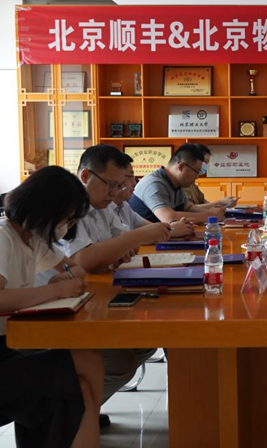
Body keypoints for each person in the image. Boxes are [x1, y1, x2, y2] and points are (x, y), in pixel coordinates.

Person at [0, 166, 103, 448]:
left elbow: (75, 268)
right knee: (80, 379)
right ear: (45, 209)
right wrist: (55, 289)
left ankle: (86, 435)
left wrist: (65, 278)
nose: (67, 225)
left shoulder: (30, 238)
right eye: (66, 217)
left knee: (86, 366)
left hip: (3, 352)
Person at [45, 145, 167, 418]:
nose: (115, 193)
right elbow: (83, 260)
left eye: (120, 185)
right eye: (111, 185)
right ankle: (66, 418)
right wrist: (131, 240)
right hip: (59, 308)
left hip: (88, 296)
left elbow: (121, 244)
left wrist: (119, 248)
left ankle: (82, 409)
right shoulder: (69, 211)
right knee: (120, 363)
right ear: (85, 176)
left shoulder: (103, 206)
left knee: (146, 340)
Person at [129, 143, 231, 223]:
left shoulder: (176, 183)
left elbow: (188, 208)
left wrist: (214, 211)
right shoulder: (154, 184)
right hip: (147, 242)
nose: (197, 176)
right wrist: (210, 215)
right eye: (196, 171)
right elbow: (169, 218)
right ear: (181, 167)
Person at [111, 159, 195, 238]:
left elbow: (151, 227)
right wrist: (171, 230)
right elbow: (122, 239)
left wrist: (176, 227)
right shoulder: (106, 208)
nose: (134, 183)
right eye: (130, 176)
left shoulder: (124, 205)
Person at [182, 144, 237, 208]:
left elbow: (205, 203)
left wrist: (224, 205)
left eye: (207, 163)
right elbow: (191, 209)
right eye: (205, 162)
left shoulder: (192, 184)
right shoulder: (182, 184)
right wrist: (220, 202)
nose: (205, 165)